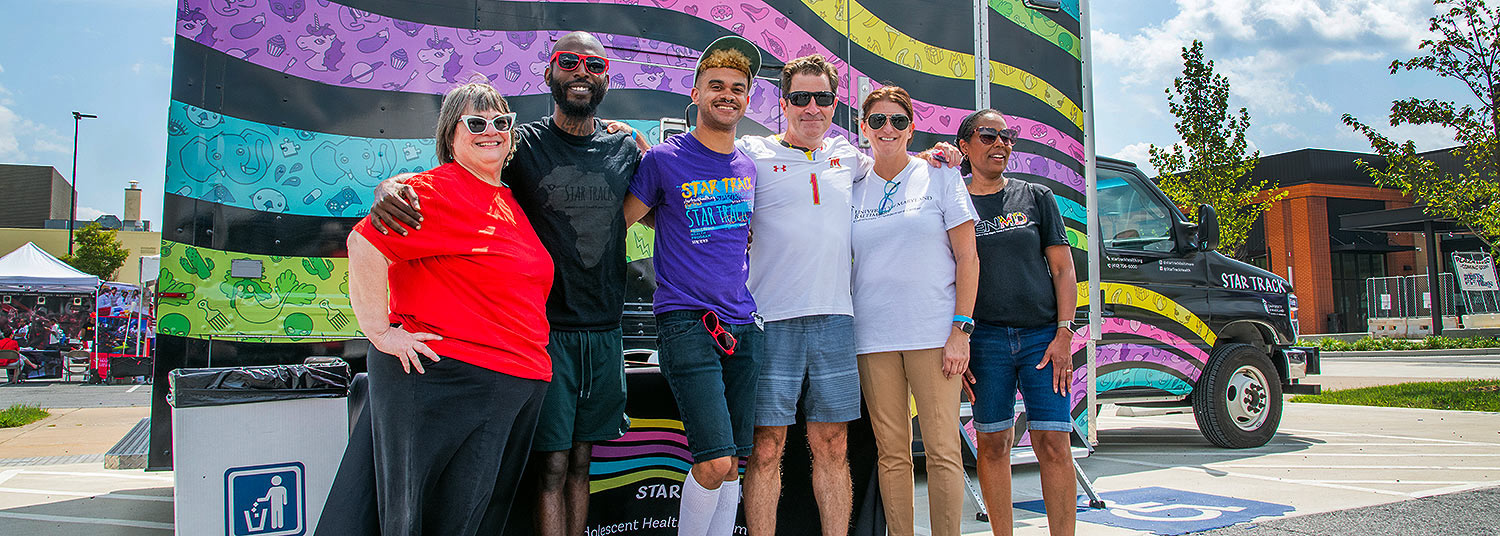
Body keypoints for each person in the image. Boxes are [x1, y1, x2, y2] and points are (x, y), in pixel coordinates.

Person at [368, 31, 644, 536]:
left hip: (605, 330)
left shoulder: (625, 146)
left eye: (593, 65)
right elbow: (464, 167)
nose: (581, 71)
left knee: (583, 463)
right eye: (569, 61)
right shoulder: (524, 145)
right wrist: (389, 187)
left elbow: (652, 202)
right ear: (549, 74)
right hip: (544, 333)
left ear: (607, 78)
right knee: (553, 466)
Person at [345, 82, 554, 536]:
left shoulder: (508, 199)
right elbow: (364, 244)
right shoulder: (439, 190)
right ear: (450, 134)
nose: (491, 131)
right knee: (441, 520)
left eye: (501, 122)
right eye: (475, 123)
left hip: (512, 382)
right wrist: (380, 333)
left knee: (479, 519)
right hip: (453, 380)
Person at [622, 36, 763, 536]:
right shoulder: (665, 159)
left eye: (738, 88)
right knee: (714, 463)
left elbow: (693, 224)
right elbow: (620, 221)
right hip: (686, 323)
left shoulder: (747, 165)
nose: (728, 94)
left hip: (743, 325)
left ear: (747, 100)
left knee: (733, 467)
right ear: (697, 94)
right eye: (717, 86)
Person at [849, 86, 978, 536]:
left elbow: (968, 258)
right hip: (873, 338)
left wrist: (961, 329)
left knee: (943, 450)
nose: (888, 129)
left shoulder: (940, 176)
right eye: (878, 121)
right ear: (864, 128)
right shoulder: (852, 182)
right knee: (892, 453)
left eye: (898, 121)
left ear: (912, 127)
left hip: (934, 334)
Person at [955, 109, 1078, 536]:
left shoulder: (1036, 196)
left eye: (1008, 136)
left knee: (1054, 444)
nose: (1001, 144)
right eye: (988, 136)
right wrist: (959, 340)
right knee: (992, 444)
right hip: (985, 341)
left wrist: (1065, 333)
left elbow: (1063, 270)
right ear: (965, 146)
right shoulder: (953, 198)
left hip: (1043, 339)